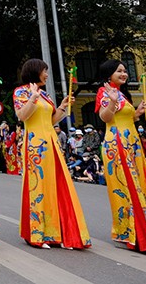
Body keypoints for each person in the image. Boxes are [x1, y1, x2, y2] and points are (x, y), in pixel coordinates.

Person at [13, 58, 91, 249]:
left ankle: (61, 231)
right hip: (35, 144)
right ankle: (38, 233)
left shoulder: (45, 95)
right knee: (38, 186)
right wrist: (32, 98)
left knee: (57, 185)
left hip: (51, 142)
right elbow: (22, 116)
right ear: (34, 71)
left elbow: (52, 120)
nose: (47, 75)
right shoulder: (21, 92)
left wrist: (63, 107)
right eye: (44, 71)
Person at [97, 59, 146, 251]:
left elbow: (127, 118)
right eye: (119, 71)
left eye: (125, 71)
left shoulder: (121, 94)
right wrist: (111, 101)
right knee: (126, 186)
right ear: (109, 74)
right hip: (117, 144)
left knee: (139, 186)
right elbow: (105, 117)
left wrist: (137, 112)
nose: (124, 74)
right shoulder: (106, 92)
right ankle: (130, 233)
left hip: (132, 144)